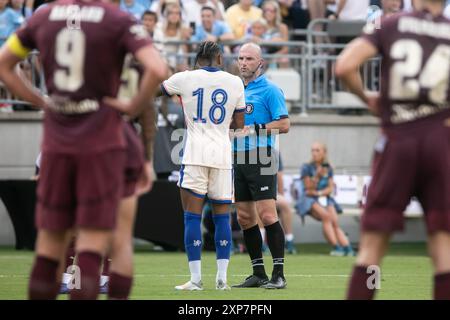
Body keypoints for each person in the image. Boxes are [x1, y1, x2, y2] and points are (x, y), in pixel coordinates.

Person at [0, 0, 166, 300]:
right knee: (96, 241)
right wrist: (131, 106)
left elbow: (3, 63)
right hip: (102, 139)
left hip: (56, 140)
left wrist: (41, 101)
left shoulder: (43, 16)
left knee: (50, 244)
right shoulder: (116, 19)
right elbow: (158, 68)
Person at [336, 0, 450, 300]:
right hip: (440, 145)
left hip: (397, 141)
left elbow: (345, 65)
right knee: (443, 248)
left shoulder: (390, 24)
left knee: (372, 248)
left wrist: (368, 98)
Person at [161, 41, 245, 291]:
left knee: (192, 217)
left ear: (198, 59)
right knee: (222, 218)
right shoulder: (235, 81)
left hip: (195, 154)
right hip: (221, 155)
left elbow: (158, 91)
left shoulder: (184, 78)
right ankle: (222, 279)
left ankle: (196, 279)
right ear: (219, 58)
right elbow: (239, 123)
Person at [232, 43, 290, 289]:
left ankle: (279, 274)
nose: (243, 62)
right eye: (240, 58)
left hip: (262, 155)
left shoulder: (270, 90)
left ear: (260, 63)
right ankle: (258, 273)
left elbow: (285, 124)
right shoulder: (234, 89)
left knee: (267, 214)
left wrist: (258, 128)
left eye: (249, 59)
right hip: (239, 157)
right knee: (245, 217)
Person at [298, 142, 354, 256]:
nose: (314, 153)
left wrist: (318, 193)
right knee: (327, 217)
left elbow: (330, 188)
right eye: (312, 150)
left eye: (317, 150)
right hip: (308, 199)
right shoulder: (306, 167)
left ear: (324, 152)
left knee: (334, 221)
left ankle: (348, 249)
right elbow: (308, 188)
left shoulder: (328, 168)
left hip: (323, 198)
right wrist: (317, 176)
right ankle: (337, 248)